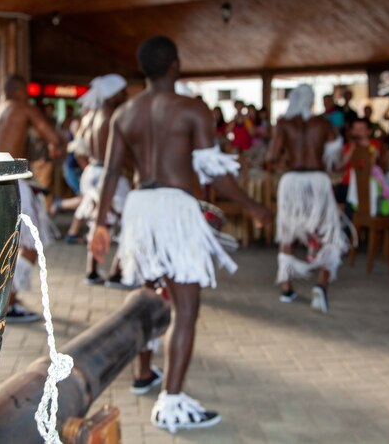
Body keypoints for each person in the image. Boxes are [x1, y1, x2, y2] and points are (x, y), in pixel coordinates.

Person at [90, 36, 269, 433]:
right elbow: (216, 174)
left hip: (140, 208)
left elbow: (112, 173)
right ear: (174, 65)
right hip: (174, 207)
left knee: (152, 294)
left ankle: (143, 374)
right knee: (185, 308)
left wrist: (100, 224)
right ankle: (170, 403)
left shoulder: (125, 114)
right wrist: (252, 205)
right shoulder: (192, 109)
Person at [0, 74, 65, 323]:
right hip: (12, 182)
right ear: (20, 92)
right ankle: (7, 303)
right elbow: (53, 139)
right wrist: (56, 147)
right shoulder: (22, 109)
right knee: (32, 242)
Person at [267, 84, 347, 311]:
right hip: (318, 180)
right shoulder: (323, 123)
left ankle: (286, 287)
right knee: (326, 232)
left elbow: (271, 156)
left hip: (292, 181)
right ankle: (321, 285)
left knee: (288, 234)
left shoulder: (283, 124)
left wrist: (287, 158)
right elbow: (336, 159)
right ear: (312, 100)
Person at [73, 74, 130, 288]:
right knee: (130, 222)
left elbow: (79, 152)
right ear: (112, 95)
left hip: (91, 171)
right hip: (110, 174)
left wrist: (91, 174)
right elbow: (118, 156)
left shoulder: (88, 117)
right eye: (122, 92)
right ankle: (118, 272)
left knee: (99, 222)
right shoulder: (114, 117)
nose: (125, 96)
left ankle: (92, 271)